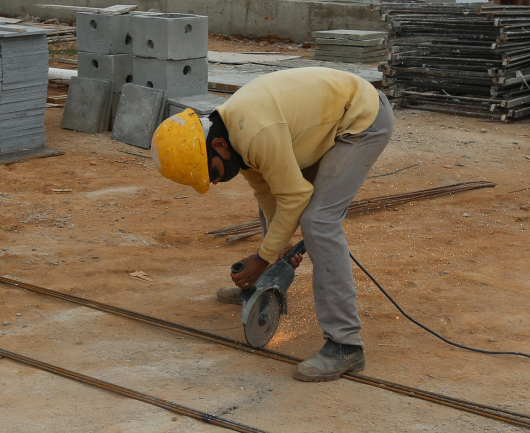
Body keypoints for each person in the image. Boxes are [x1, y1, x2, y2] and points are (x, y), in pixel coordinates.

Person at [151, 66, 394, 381]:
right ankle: (267, 283)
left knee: (319, 221)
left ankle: (346, 346)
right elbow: (269, 195)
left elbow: (295, 196)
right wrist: (275, 254)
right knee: (277, 211)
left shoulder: (253, 132)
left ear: (218, 146)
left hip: (361, 122)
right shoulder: (232, 133)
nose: (216, 182)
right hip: (323, 125)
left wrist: (262, 258)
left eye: (211, 173)